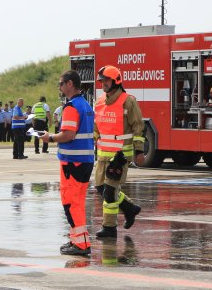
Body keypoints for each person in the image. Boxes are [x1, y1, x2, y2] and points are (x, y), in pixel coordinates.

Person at [40, 70, 94, 256]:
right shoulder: (86, 105)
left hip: (73, 162)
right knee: (77, 202)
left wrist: (50, 138)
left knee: (71, 203)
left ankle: (81, 244)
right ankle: (78, 240)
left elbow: (68, 134)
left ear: (70, 84)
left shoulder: (71, 107)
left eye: (61, 83)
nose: (60, 87)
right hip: (85, 161)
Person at [94, 65, 144, 238]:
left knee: (109, 192)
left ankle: (109, 227)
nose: (103, 84)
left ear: (116, 81)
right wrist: (93, 140)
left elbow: (138, 126)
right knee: (101, 187)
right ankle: (130, 208)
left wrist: (138, 151)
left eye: (106, 80)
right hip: (102, 155)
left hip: (120, 156)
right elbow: (97, 127)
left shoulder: (128, 100)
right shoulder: (100, 101)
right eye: (101, 81)